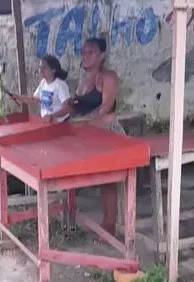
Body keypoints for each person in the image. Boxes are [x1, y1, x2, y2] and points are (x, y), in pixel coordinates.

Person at [69, 37, 122, 236]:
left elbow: (104, 110)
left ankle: (109, 225)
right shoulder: (82, 81)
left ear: (101, 56)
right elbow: (77, 108)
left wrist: (83, 126)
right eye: (83, 52)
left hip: (107, 133)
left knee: (108, 180)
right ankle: (72, 217)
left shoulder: (109, 77)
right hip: (87, 134)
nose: (85, 56)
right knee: (98, 179)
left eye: (90, 52)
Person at [12, 55, 71, 122]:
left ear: (53, 69)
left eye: (44, 68)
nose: (40, 71)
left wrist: (52, 116)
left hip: (61, 123)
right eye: (40, 68)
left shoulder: (60, 85)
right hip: (47, 123)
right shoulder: (43, 83)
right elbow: (34, 100)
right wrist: (18, 97)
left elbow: (67, 108)